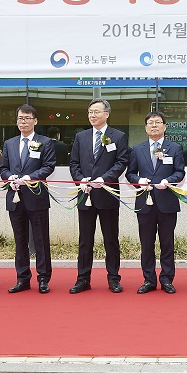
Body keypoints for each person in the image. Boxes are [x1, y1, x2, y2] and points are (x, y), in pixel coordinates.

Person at [69, 98, 130, 293]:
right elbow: (74, 163)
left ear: (107, 114)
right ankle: (83, 279)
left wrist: (104, 179)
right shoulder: (81, 136)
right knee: (85, 240)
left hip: (107, 194)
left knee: (111, 239)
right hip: (85, 194)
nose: (92, 115)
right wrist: (81, 180)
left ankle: (113, 278)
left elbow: (121, 162)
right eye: (90, 112)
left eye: (96, 112)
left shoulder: (118, 136)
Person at [126, 111, 185, 294]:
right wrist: (139, 180)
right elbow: (130, 173)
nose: (154, 125)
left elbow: (180, 172)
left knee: (167, 243)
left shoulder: (175, 148)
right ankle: (149, 280)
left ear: (165, 126)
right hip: (145, 203)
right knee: (146, 244)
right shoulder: (137, 149)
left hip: (167, 202)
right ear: (145, 128)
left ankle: (167, 279)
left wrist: (168, 181)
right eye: (150, 122)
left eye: (158, 122)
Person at [0, 104, 56, 293]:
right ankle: (22, 278)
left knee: (41, 239)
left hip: (36, 197)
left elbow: (48, 166)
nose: (23, 122)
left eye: (27, 118)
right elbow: (3, 168)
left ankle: (43, 278)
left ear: (35, 121)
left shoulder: (45, 142)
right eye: (20, 118)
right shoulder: (9, 143)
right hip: (15, 197)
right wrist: (10, 177)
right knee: (20, 240)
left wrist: (30, 178)